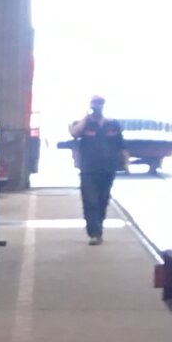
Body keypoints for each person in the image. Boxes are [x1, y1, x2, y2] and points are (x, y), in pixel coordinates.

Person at [70, 96, 126, 244]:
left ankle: (98, 229)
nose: (97, 107)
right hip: (88, 169)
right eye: (94, 104)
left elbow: (121, 145)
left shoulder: (112, 124)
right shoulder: (83, 124)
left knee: (102, 200)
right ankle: (94, 234)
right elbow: (74, 133)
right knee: (90, 201)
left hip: (108, 168)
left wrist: (126, 163)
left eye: (99, 104)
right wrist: (86, 117)